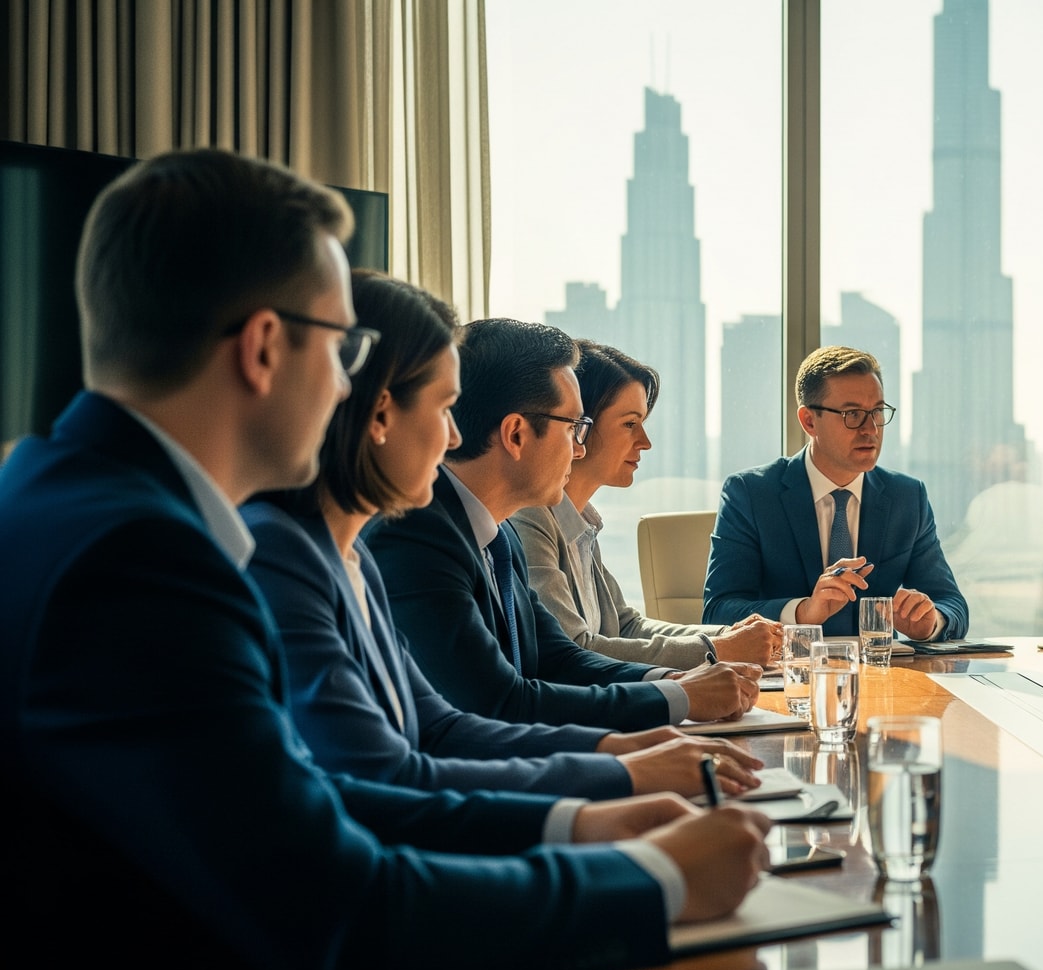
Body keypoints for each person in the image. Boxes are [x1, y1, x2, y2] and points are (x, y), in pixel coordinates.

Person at [0, 149, 768, 970]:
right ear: (263, 347)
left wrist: (579, 821)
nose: (347, 385)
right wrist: (655, 879)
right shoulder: (141, 561)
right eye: (344, 347)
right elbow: (336, 907)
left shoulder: (66, 494)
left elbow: (331, 797)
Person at [244, 272, 763, 801]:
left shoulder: (470, 537)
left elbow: (534, 671)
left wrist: (641, 733)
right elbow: (472, 719)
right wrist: (636, 753)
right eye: (443, 409)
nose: (452, 436)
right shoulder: (393, 538)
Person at [366, 318, 759, 731]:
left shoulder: (499, 535)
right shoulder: (417, 537)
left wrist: (676, 682)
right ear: (516, 435)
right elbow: (499, 703)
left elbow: (558, 658)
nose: (579, 449)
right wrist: (677, 698)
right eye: (573, 427)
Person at [512, 341, 781, 670]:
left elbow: (627, 626)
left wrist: (728, 635)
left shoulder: (580, 523)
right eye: (629, 424)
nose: (646, 442)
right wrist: (718, 648)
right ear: (580, 425)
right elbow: (575, 649)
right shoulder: (531, 519)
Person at [704, 345, 968, 639]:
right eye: (852, 414)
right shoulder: (750, 494)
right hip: (790, 665)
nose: (871, 429)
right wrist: (802, 613)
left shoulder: (906, 497)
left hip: (879, 666)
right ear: (809, 421)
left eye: (877, 412)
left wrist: (930, 622)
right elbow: (717, 611)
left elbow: (952, 604)